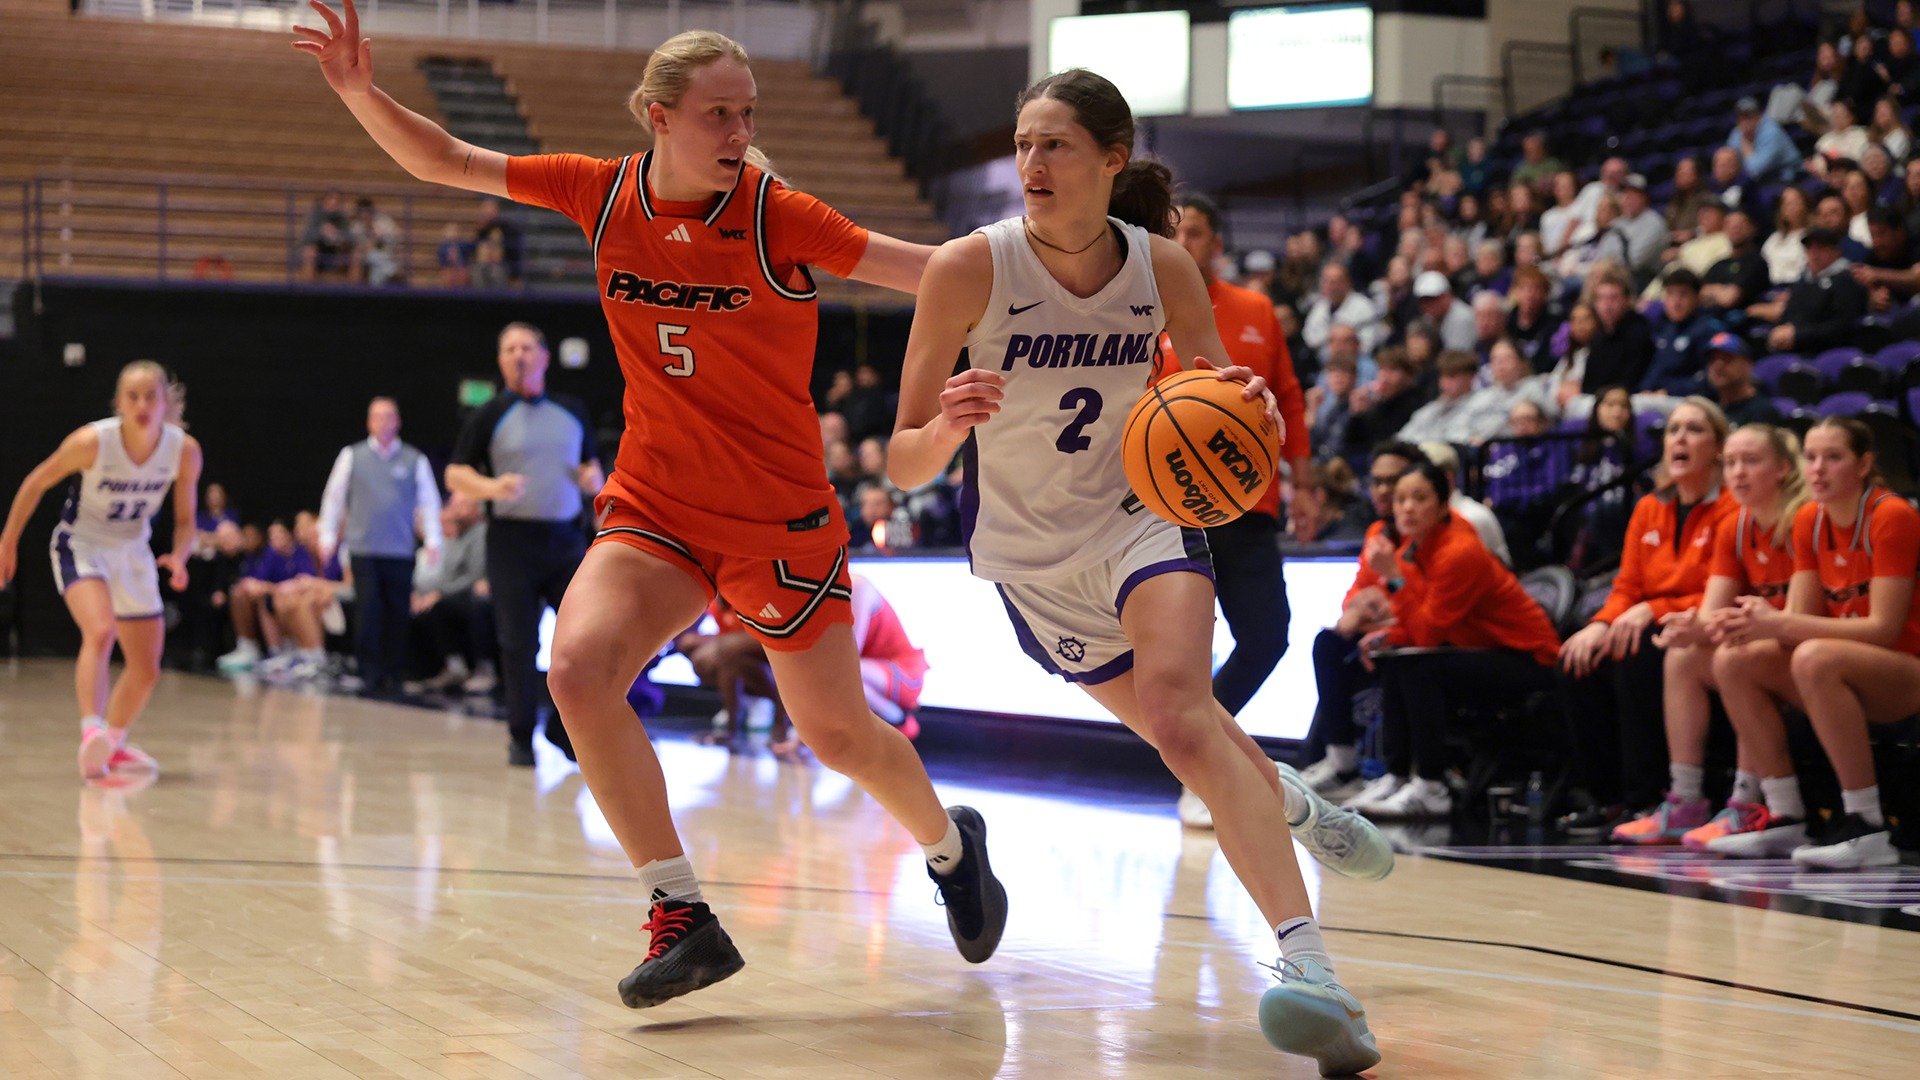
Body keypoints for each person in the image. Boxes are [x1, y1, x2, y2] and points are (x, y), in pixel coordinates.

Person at [296, 5, 1007, 1008]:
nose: (739, 135)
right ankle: (681, 913)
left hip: (777, 518)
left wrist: (1069, 285)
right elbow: (449, 161)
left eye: (747, 114)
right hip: (660, 506)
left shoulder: (776, 215)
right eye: (718, 115)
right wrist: (360, 92)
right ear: (655, 115)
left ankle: (947, 847)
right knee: (578, 670)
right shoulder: (603, 193)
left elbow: (932, 272)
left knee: (841, 737)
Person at [885, 67, 1388, 1075]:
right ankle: (1290, 800)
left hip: (1143, 521)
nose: (1032, 162)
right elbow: (899, 455)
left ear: (1112, 161)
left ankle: (1314, 973)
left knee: (1177, 709)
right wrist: (948, 425)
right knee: (1186, 732)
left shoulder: (1164, 266)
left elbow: (1218, 398)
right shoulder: (966, 269)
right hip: (1030, 560)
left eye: (1056, 144)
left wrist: (1249, 405)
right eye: (1024, 143)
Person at [1711, 418, 1920, 869]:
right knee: (1734, 659)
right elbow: (1799, 622)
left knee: (1813, 655)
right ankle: (1784, 812)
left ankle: (1867, 824)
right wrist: (1754, 623)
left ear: (1864, 464)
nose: (1818, 469)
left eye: (1833, 457)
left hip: (1906, 670)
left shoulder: (1892, 515)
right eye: (1810, 457)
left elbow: (1884, 629)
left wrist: (1780, 625)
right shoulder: (1809, 519)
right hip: (1844, 667)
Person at [0, 361, 202, 779]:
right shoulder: (92, 441)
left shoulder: (184, 451)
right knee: (101, 630)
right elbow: (35, 482)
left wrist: (180, 556)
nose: (143, 404)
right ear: (119, 402)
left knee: (146, 667)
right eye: (133, 396)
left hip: (132, 549)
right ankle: (90, 729)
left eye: (151, 396)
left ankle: (112, 743)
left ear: (166, 402)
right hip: (83, 543)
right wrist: (7, 540)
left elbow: (186, 521)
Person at [1615, 424, 1805, 847]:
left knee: (1736, 657)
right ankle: (1685, 800)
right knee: (1684, 655)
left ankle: (1750, 803)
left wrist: (1745, 625)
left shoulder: (1803, 520)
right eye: (1732, 463)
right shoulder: (1736, 526)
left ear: (1783, 469)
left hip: (1809, 645)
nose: (1737, 472)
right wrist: (1687, 625)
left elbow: (1803, 618)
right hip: (1774, 643)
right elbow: (1712, 614)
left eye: (1750, 461)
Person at [1556, 398, 1734, 835]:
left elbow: (1719, 589)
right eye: (1673, 430)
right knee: (1578, 659)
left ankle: (1649, 798)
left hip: (1701, 625)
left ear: (1718, 447)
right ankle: (1609, 798)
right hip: (1647, 618)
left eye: (1693, 430)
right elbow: (1626, 586)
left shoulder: (1732, 508)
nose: (1679, 439)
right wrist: (1599, 624)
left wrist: (1650, 611)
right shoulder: (1650, 507)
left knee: (1637, 652)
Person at [1167, 192, 1311, 722]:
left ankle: (1198, 750)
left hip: (1252, 503)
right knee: (1178, 654)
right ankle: (1198, 763)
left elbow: (1290, 399)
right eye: (1174, 232)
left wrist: (1308, 484)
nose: (1183, 242)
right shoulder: (1140, 314)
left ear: (1218, 243)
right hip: (1172, 512)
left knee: (1267, 639)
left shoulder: (1257, 309)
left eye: (1195, 232)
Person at [1347, 463, 1562, 819]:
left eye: (1419, 498)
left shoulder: (1459, 551)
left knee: (1419, 666)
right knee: (1396, 656)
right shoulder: (1415, 549)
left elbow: (1429, 630)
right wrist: (1386, 637)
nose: (1407, 508)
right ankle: (1398, 776)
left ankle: (1432, 785)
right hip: (1477, 648)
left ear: (1443, 504)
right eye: (1400, 500)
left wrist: (1395, 580)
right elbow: (1415, 620)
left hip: (1530, 659)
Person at [446, 324, 601, 763]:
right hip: (511, 541)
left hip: (565, 539)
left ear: (544, 357)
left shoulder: (571, 411)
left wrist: (593, 478)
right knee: (518, 642)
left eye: (527, 347)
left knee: (581, 640)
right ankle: (520, 736)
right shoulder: (489, 414)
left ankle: (561, 726)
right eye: (510, 348)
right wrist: (493, 488)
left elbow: (592, 466)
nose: (519, 355)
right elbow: (455, 473)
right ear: (500, 360)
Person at [1296, 442, 1428, 801]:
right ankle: (1342, 765)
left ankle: (1406, 776)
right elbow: (1357, 597)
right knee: (1330, 642)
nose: (1385, 490)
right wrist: (1358, 611)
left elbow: (1430, 610)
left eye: (1395, 481)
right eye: (1378, 481)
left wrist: (1385, 623)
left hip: (1443, 638)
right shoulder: (1378, 532)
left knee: (1399, 655)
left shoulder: (1437, 531)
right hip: (1400, 628)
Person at [317, 396, 443, 695]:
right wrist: (327, 536)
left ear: (397, 421)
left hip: (400, 550)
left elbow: (429, 501)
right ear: (369, 422)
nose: (384, 422)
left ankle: (394, 673)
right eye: (378, 417)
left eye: (389, 416)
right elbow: (333, 498)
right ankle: (369, 672)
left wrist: (434, 539)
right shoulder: (352, 456)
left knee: (398, 613)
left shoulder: (415, 459)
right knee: (368, 611)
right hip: (364, 548)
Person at [408, 492, 494, 694]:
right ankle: (453, 666)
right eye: (454, 505)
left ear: (477, 509)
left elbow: (476, 577)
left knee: (469, 604)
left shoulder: (482, 533)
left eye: (463, 504)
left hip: (482, 595)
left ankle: (485, 669)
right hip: (457, 594)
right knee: (431, 608)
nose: (457, 510)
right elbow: (445, 576)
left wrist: (441, 593)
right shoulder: (455, 538)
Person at [1702, 332, 1783, 428]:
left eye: (1727, 358)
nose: (1718, 366)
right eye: (1712, 359)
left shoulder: (1762, 412)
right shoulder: (1710, 410)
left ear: (1748, 364)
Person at [1728, 96, 1800, 184]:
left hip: (1788, 175)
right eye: (1741, 117)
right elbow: (1728, 158)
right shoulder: (1737, 133)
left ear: (1759, 116)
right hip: (1764, 179)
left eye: (1749, 116)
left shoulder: (1772, 132)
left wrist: (1747, 151)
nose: (1745, 122)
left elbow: (1755, 170)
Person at [1412, 270, 1476, 351]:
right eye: (1424, 300)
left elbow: (1457, 358)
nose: (1428, 304)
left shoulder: (1461, 318)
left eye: (1433, 299)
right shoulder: (1430, 319)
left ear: (1447, 295)